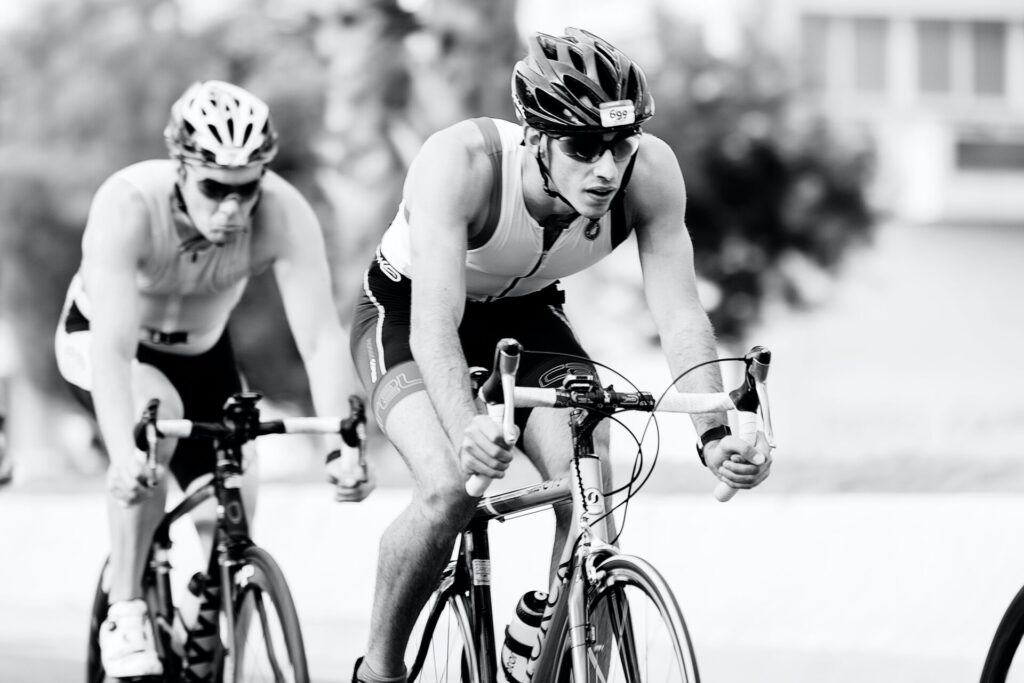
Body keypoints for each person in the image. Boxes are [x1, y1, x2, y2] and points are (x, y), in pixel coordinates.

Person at [348, 27, 773, 683]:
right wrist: (470, 431)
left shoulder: (650, 174)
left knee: (592, 476)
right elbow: (436, 325)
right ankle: (378, 669)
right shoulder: (460, 162)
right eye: (583, 148)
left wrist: (714, 433)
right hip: (409, 314)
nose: (607, 169)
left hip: (527, 318)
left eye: (620, 144)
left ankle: (553, 623)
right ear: (537, 138)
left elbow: (680, 312)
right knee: (448, 489)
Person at [54, 80, 373, 680]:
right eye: (214, 189)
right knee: (152, 426)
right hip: (104, 345)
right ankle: (126, 610)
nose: (232, 208)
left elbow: (319, 338)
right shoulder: (128, 204)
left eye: (245, 190)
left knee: (237, 497)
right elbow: (116, 348)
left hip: (204, 352)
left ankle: (213, 627)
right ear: (180, 168)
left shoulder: (282, 213)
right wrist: (124, 453)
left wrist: (342, 445)